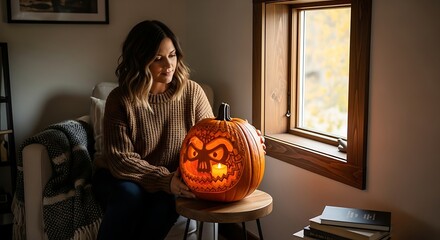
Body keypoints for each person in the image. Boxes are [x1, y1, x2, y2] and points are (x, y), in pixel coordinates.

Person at [92, 20, 214, 240]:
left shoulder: (192, 93)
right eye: (158, 58)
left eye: (172, 55)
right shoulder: (120, 99)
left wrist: (248, 142)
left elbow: (215, 137)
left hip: (169, 184)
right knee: (129, 195)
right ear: (139, 60)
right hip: (121, 179)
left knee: (165, 202)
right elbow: (121, 159)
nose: (168, 65)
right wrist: (164, 180)